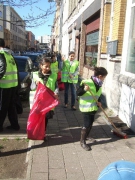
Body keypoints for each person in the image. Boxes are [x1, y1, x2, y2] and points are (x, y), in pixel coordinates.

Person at [77, 67, 108, 151]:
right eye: (104, 77)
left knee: (90, 124)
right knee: (86, 124)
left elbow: (97, 95)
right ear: (100, 76)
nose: (104, 79)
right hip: (86, 108)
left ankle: (86, 137)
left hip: (93, 108)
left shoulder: (99, 85)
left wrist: (99, 101)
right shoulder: (87, 82)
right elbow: (78, 93)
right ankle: (82, 141)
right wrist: (84, 90)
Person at [30, 57, 59, 131]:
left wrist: (56, 92)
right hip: (38, 101)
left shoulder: (53, 75)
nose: (48, 68)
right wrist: (36, 84)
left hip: (48, 101)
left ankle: (42, 133)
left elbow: (56, 86)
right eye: (46, 66)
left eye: (49, 66)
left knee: (46, 118)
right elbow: (31, 87)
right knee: (38, 116)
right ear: (41, 65)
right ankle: (36, 131)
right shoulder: (35, 75)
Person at [0, 38, 20, 132]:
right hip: (13, 84)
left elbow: (1, 69)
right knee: (11, 106)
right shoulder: (9, 54)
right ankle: (15, 125)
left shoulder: (1, 54)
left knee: (2, 107)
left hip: (4, 86)